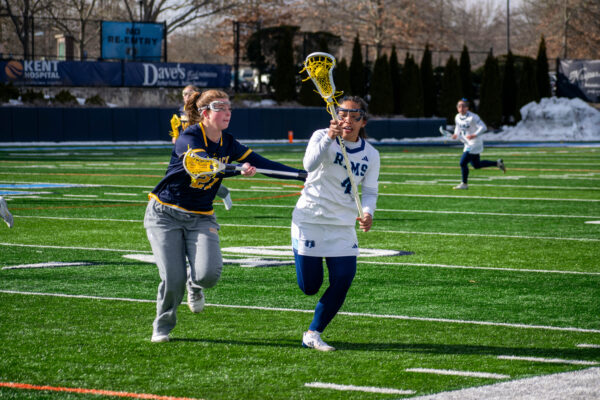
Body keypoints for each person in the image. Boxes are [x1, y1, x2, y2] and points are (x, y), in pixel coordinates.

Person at [145, 89, 305, 343]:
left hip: (201, 216)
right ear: (205, 113)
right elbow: (201, 163)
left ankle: (194, 284)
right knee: (172, 278)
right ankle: (162, 326)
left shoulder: (229, 143)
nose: (228, 112)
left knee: (208, 276)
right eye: (221, 108)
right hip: (165, 214)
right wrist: (236, 169)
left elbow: (263, 164)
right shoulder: (188, 137)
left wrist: (300, 175)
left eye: (230, 108)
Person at [292, 96, 380, 351]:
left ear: (363, 121)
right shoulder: (321, 135)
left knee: (343, 278)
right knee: (310, 287)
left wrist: (368, 212)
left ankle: (313, 333)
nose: (347, 121)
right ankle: (297, 245)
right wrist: (329, 137)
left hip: (342, 225)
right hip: (310, 219)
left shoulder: (371, 154)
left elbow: (371, 190)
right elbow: (308, 165)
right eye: (343, 115)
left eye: (355, 117)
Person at [170, 85, 233, 210]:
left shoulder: (200, 109)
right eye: (184, 93)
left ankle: (222, 193)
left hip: (199, 145)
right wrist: (176, 135)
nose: (186, 96)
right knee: (187, 177)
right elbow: (180, 126)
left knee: (203, 174)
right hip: (186, 146)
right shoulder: (181, 109)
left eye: (189, 93)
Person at [452, 98, 506, 189]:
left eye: (464, 106)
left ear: (467, 108)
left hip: (475, 143)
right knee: (476, 165)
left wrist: (474, 135)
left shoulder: (473, 117)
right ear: (457, 108)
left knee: (462, 163)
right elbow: (458, 127)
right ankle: (497, 163)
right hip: (467, 143)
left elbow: (484, 127)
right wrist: (455, 134)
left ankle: (464, 184)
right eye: (459, 106)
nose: (461, 108)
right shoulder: (457, 116)